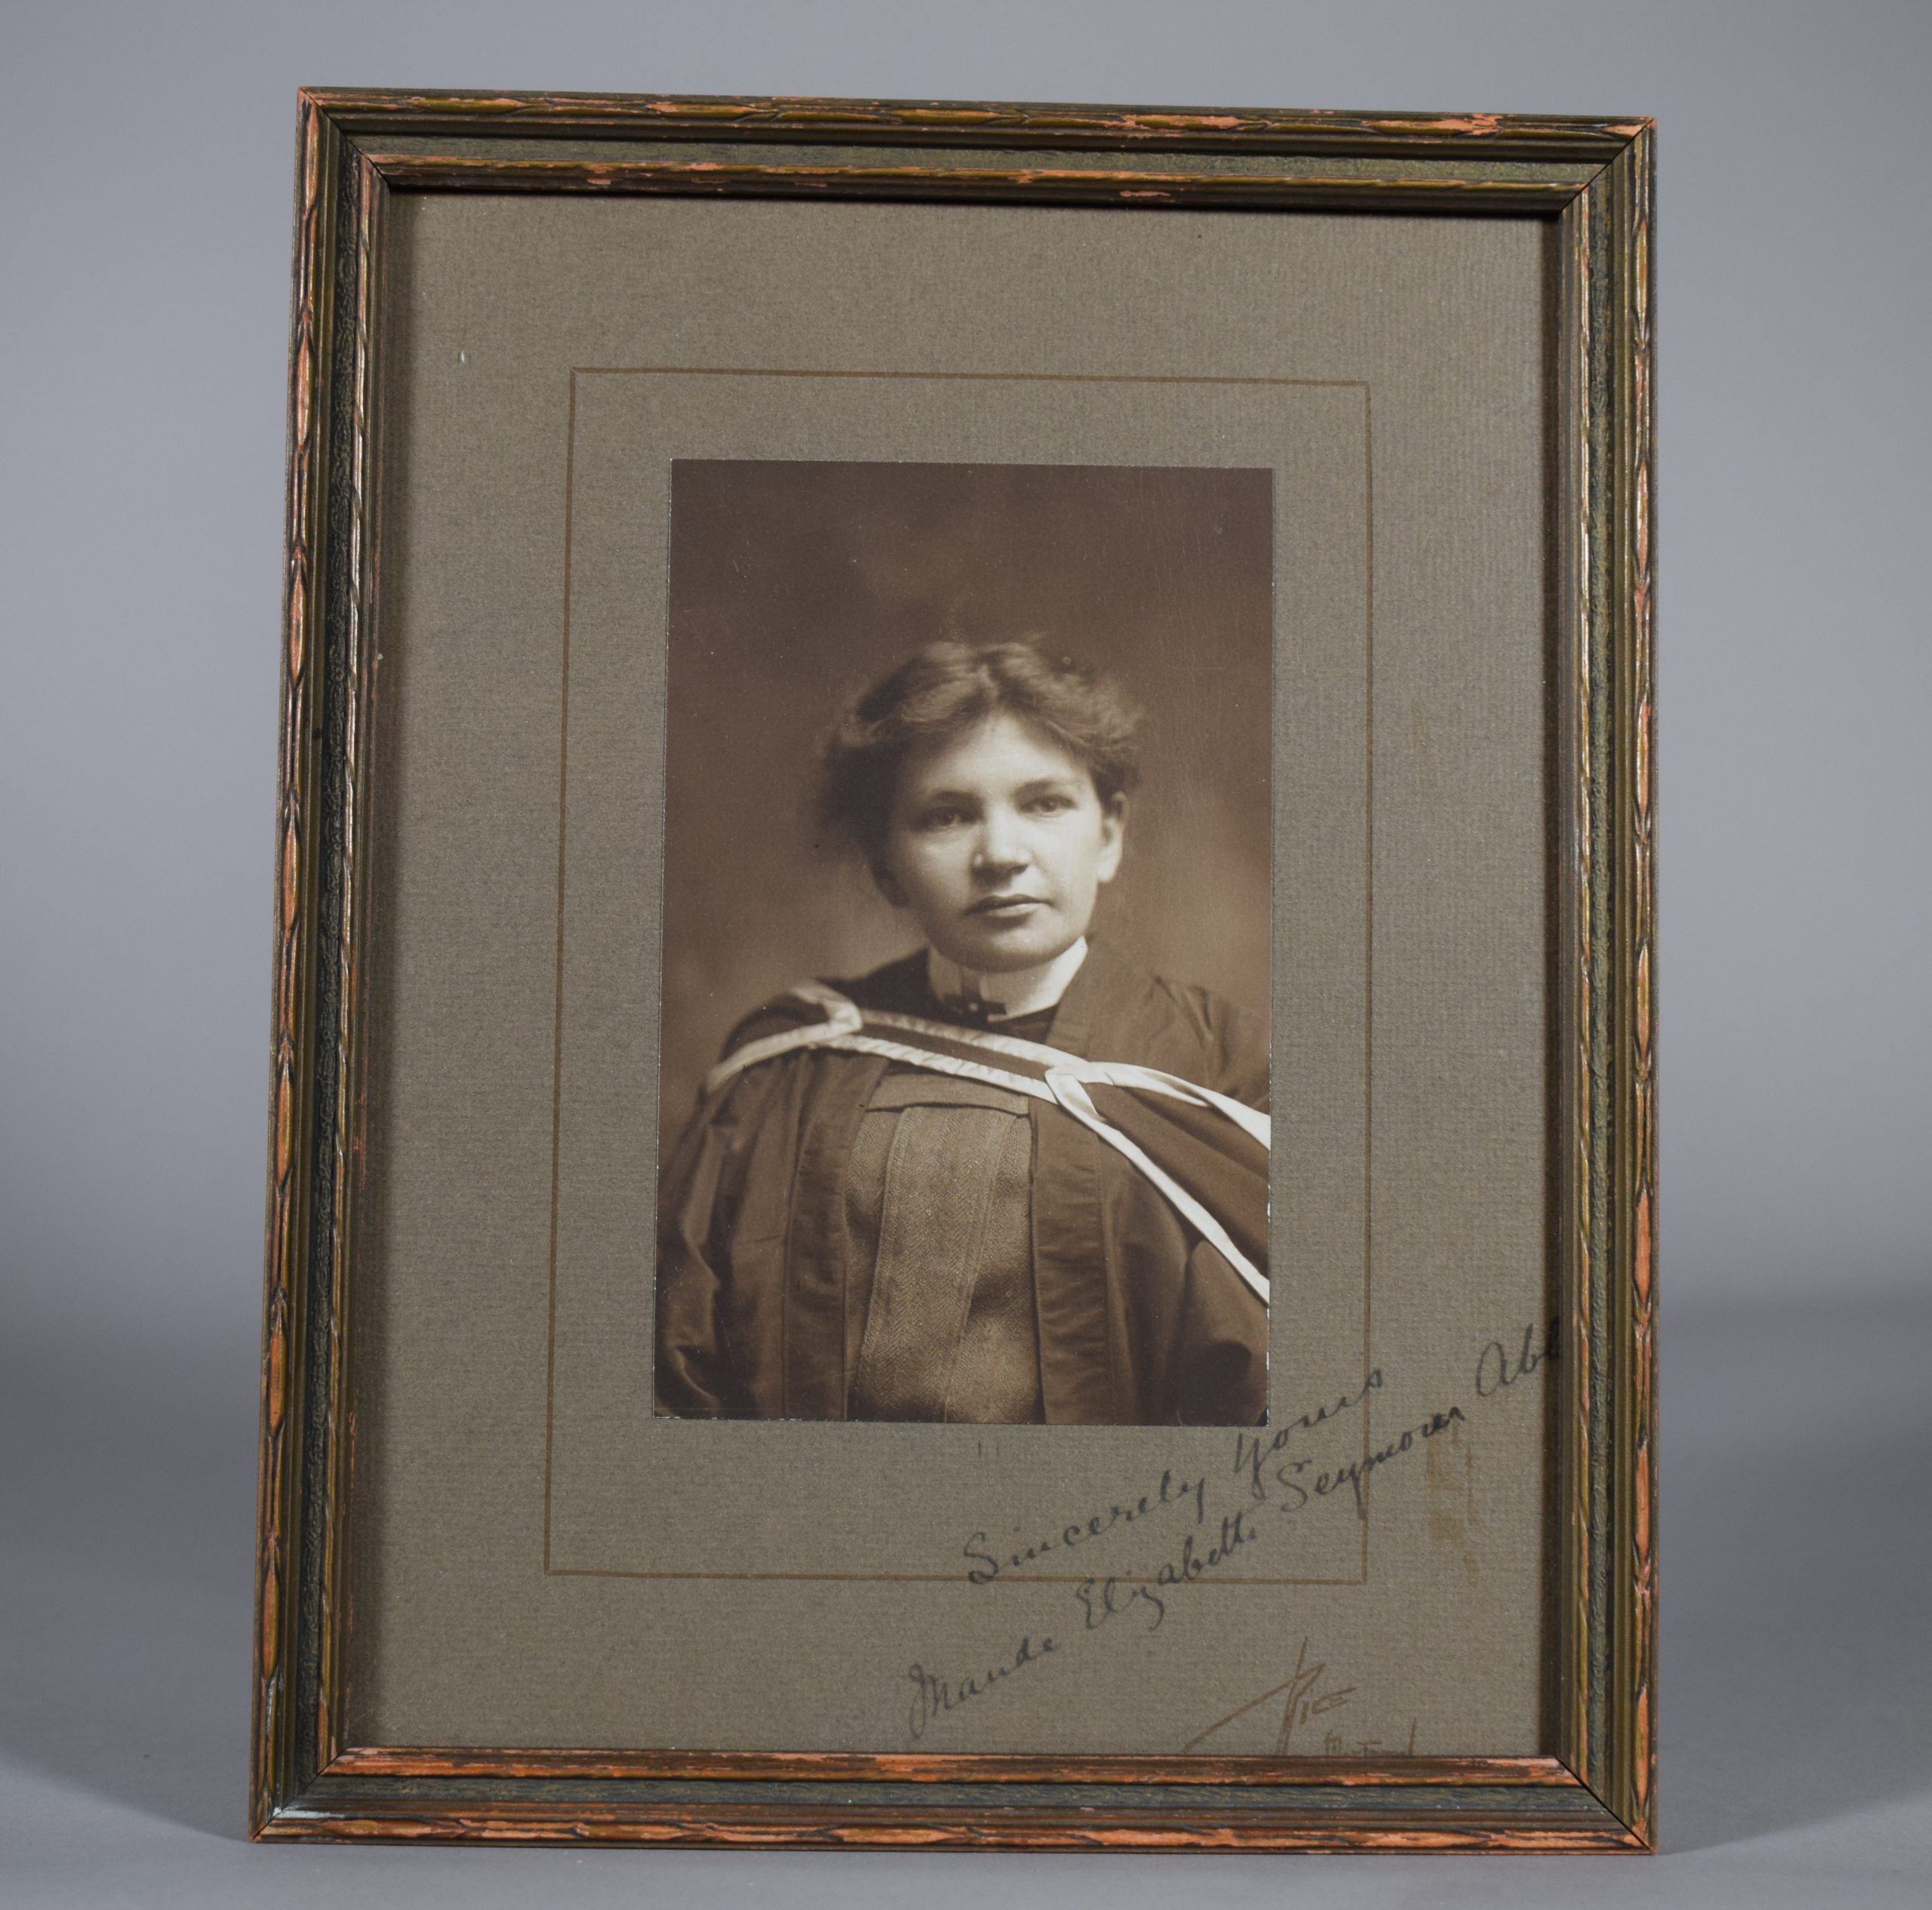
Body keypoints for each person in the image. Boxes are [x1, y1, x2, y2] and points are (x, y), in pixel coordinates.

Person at [654, 639, 1269, 1426]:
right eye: (946, 815)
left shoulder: (1221, 1065)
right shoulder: (789, 1065)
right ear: (886, 863)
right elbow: (678, 1368)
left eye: (1044, 803)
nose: (1001, 854)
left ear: (1108, 834)